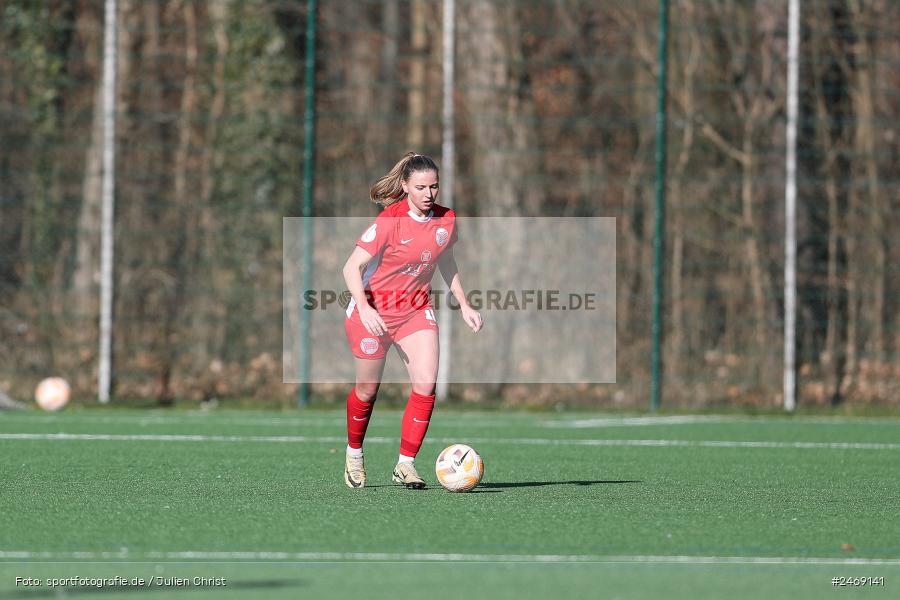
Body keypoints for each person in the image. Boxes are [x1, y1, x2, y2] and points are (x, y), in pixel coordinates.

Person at [341, 152, 483, 489]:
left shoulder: (446, 219)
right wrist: (364, 308)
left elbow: (446, 260)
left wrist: (464, 303)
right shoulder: (390, 221)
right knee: (367, 390)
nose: (429, 194)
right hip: (372, 312)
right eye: (420, 187)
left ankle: (405, 464)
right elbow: (351, 268)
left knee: (425, 383)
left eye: (434, 186)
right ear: (405, 186)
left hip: (415, 311)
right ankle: (354, 455)